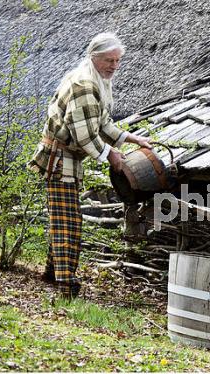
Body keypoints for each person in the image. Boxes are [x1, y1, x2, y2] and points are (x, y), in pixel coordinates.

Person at [28, 33, 152, 298]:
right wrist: (111, 155)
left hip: (69, 159)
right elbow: (84, 135)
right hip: (60, 159)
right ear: (94, 57)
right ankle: (66, 286)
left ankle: (52, 274)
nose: (114, 66)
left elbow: (103, 124)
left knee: (64, 217)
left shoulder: (97, 81)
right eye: (109, 60)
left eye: (118, 60)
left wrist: (130, 138)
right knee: (68, 223)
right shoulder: (83, 84)